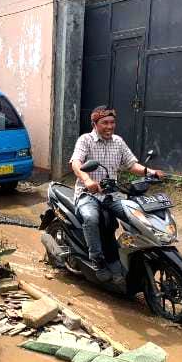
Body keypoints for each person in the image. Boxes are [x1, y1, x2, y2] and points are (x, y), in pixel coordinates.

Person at [70, 106, 164, 284]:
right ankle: (97, 259)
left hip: (110, 195)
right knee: (91, 218)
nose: (109, 126)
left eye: (112, 122)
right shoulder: (86, 140)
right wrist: (87, 179)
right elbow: (76, 162)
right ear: (95, 123)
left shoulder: (118, 142)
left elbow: (131, 165)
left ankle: (134, 253)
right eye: (104, 123)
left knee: (136, 214)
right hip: (87, 194)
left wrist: (151, 172)